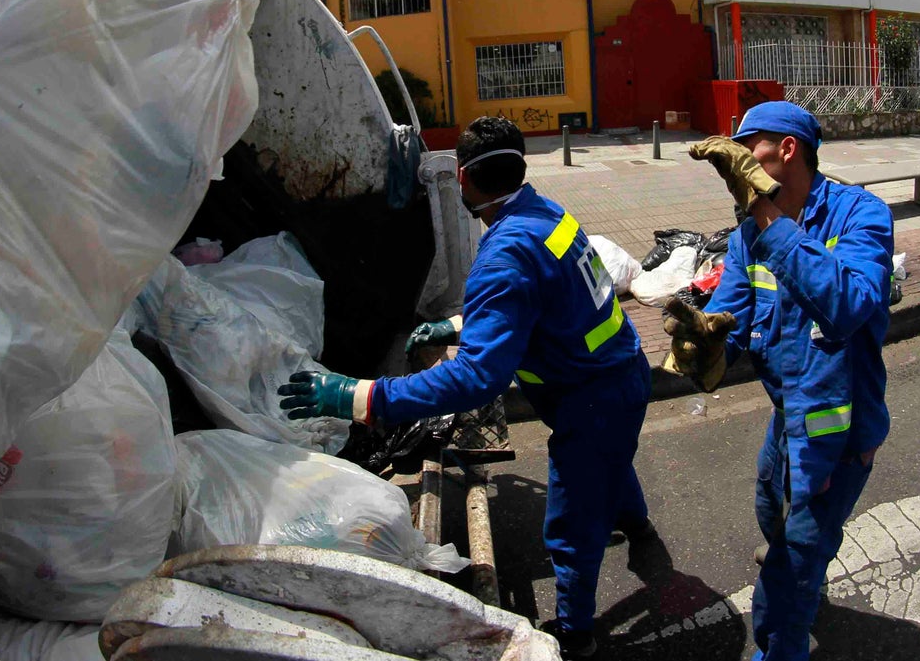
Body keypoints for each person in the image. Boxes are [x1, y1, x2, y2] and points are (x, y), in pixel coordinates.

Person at [279, 115, 653, 659]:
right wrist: (458, 326)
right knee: (611, 461)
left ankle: (575, 634)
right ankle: (636, 523)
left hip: (591, 400)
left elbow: (478, 377)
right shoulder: (545, 213)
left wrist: (359, 396)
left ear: (462, 176)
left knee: (572, 522)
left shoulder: (503, 255)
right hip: (620, 374)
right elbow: (540, 299)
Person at [665, 101, 894, 661]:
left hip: (839, 429)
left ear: (786, 150)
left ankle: (781, 642)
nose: (736, 158)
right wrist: (709, 340)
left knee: (791, 570)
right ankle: (800, 570)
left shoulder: (862, 215)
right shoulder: (747, 234)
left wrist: (767, 212)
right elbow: (733, 312)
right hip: (787, 417)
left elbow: (844, 305)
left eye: (748, 146)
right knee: (772, 514)